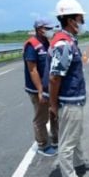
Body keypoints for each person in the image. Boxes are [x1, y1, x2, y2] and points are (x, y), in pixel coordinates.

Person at [43, 0, 89, 177]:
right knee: (68, 140)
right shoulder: (63, 44)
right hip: (68, 101)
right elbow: (54, 78)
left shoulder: (67, 40)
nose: (82, 23)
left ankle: (79, 163)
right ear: (70, 20)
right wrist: (53, 105)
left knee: (76, 134)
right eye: (80, 19)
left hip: (73, 98)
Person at [23, 17, 58, 156]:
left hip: (49, 87)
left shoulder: (46, 42)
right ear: (39, 29)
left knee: (54, 113)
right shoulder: (32, 45)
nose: (51, 31)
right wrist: (39, 91)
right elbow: (33, 70)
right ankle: (43, 145)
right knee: (41, 117)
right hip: (37, 89)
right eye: (48, 28)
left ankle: (56, 140)